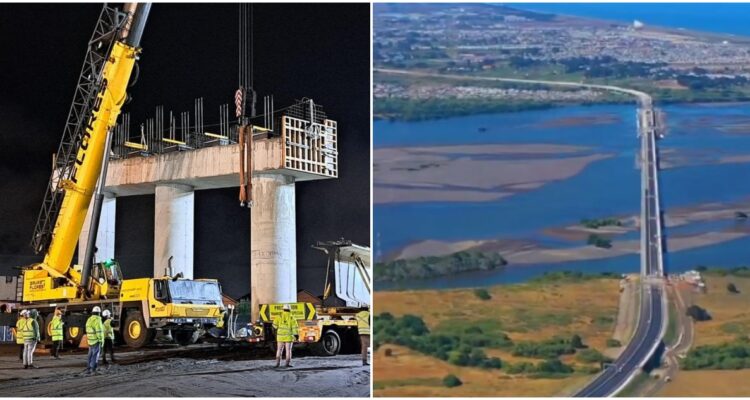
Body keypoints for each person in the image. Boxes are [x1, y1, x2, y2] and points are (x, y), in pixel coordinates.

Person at [84, 306, 104, 374]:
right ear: (99, 313)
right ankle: (94, 369)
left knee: (90, 355)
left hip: (90, 340)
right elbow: (99, 331)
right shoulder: (98, 320)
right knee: (95, 355)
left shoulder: (89, 319)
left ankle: (88, 369)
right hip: (96, 340)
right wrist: (101, 340)